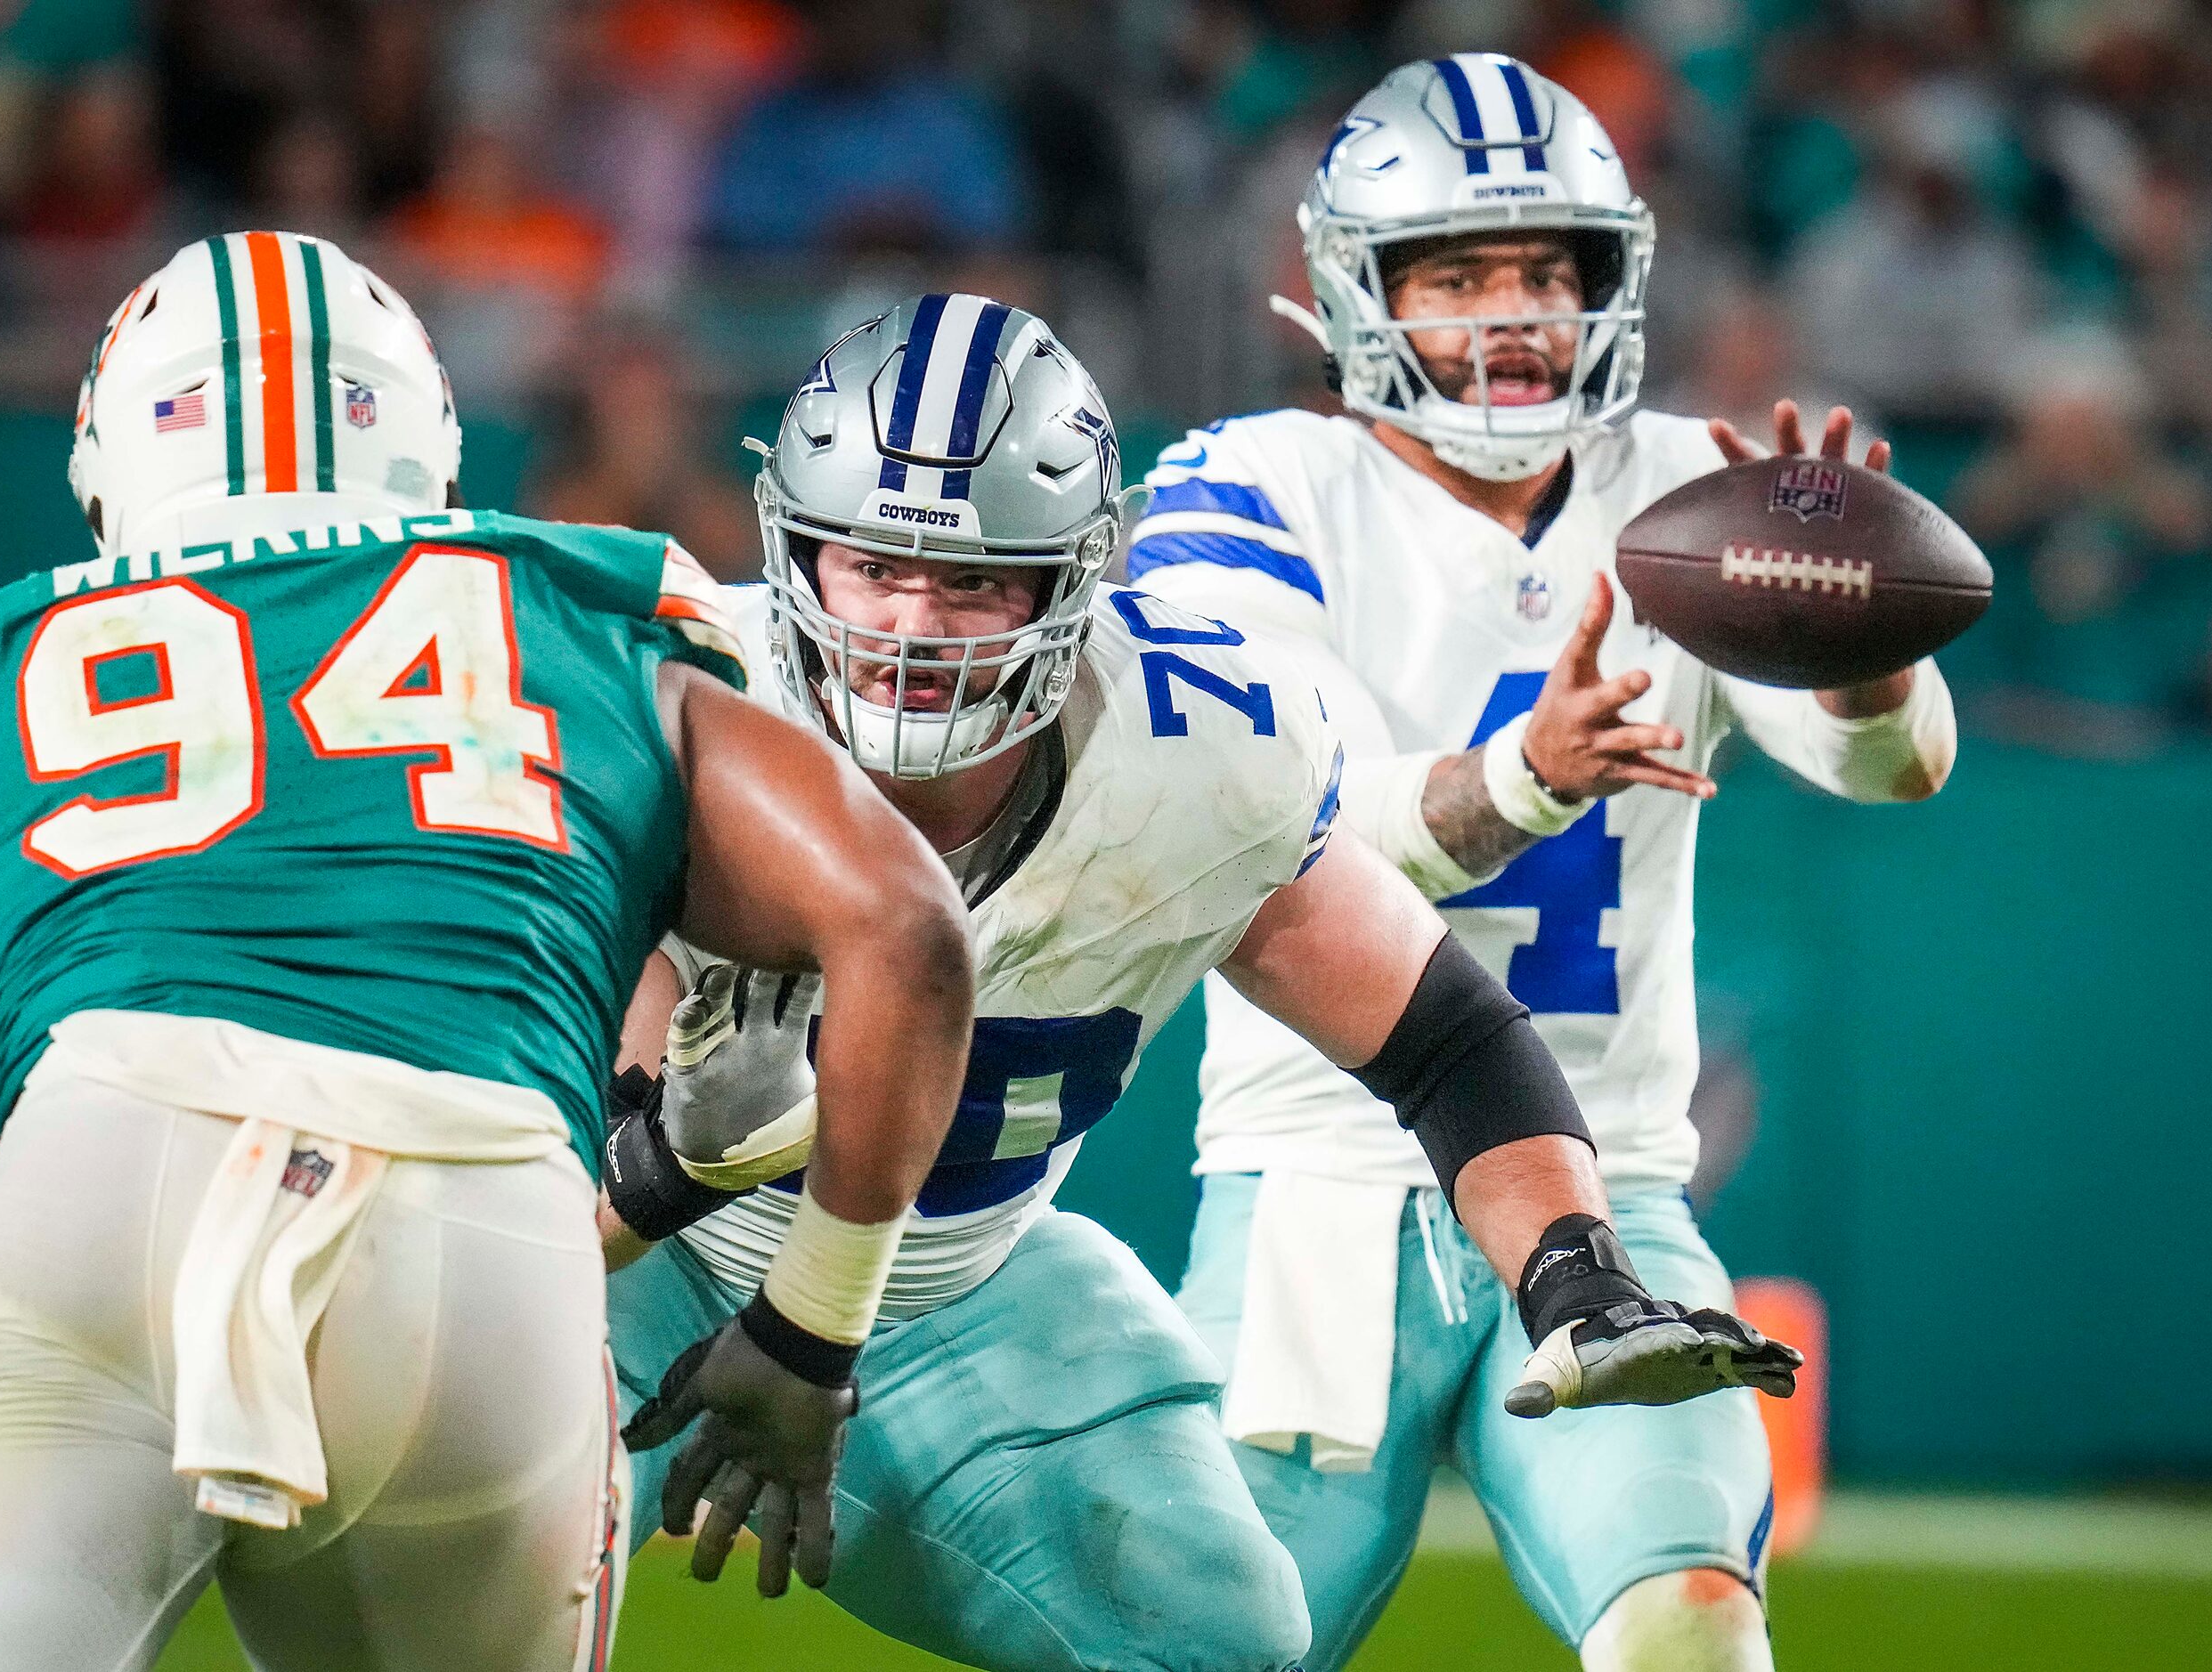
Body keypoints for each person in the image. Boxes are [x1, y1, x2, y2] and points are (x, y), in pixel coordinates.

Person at [0, 231, 978, 1672]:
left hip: (100, 1185)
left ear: (110, 463)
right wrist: (813, 1328)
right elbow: (903, 927)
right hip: (482, 1233)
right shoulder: (587, 620)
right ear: (433, 451)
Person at [597, 292, 1798, 1672]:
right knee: (493, 1588)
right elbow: (519, 1173)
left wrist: (1575, 1274)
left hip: (957, 1287)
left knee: (1225, 1636)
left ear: (1072, 578)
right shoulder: (668, 692)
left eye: (975, 577)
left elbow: (1445, 1040)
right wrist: (664, 1181)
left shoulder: (1189, 746)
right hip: (625, 1266)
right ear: (791, 550)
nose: (915, 623)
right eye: (872, 565)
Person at [1127, 55, 1960, 1672]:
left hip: (1615, 1198)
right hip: (1323, 1196)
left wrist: (1854, 653)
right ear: (1357, 295)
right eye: (1454, 274)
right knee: (1203, 1647)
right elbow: (1242, 829)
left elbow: (1894, 765)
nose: (1509, 313)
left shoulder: (1688, 492)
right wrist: (1515, 781)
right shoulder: (1255, 485)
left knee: (1690, 1631)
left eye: (1541, 270)